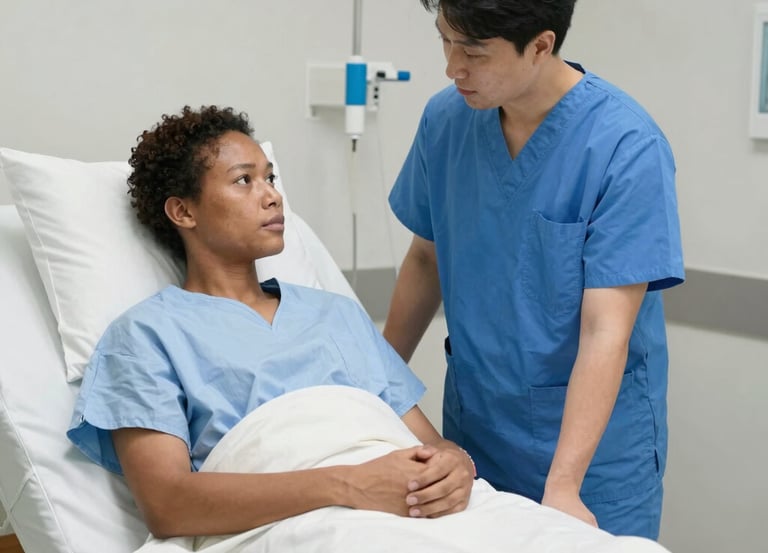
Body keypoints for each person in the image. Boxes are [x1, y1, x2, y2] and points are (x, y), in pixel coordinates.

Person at [66, 105, 475, 540]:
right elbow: (168, 504)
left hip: (413, 508)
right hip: (294, 530)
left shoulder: (335, 314)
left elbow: (432, 445)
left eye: (270, 178)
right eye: (244, 180)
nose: (272, 196)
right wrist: (349, 484)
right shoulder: (145, 337)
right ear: (184, 212)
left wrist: (456, 466)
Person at [383, 0, 684, 540]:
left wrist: (564, 484)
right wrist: (376, 390)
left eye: (473, 51)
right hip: (474, 434)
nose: (453, 66)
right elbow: (426, 259)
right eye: (444, 41)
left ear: (541, 46)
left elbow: (604, 329)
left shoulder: (624, 145)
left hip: (591, 457)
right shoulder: (446, 120)